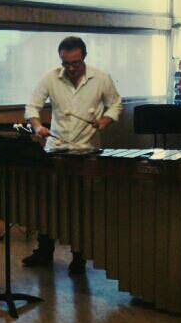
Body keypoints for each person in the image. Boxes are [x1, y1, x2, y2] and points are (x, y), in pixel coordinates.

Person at [22, 36, 122, 275]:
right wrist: (37, 126)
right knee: (48, 204)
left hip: (86, 150)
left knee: (81, 207)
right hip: (56, 148)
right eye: (66, 63)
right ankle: (44, 252)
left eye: (75, 63)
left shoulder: (101, 78)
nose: (71, 68)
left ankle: (79, 257)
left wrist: (105, 120)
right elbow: (32, 107)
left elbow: (116, 104)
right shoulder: (51, 77)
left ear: (84, 57)